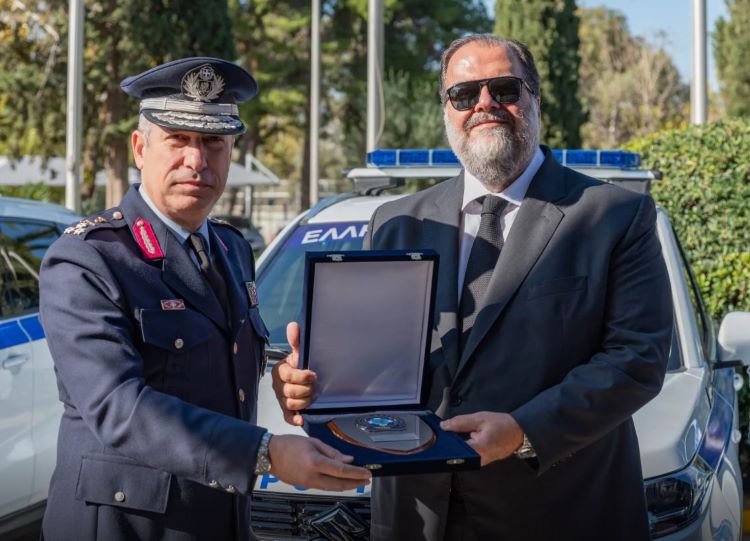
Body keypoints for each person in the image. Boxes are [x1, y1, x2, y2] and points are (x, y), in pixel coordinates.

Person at [274, 35, 673, 541]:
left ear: (535, 99)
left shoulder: (613, 215)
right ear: (447, 109)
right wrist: (311, 382)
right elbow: (373, 362)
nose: (484, 104)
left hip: (558, 512)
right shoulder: (396, 222)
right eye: (463, 94)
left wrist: (524, 431)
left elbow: (636, 359)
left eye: (504, 88)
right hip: (417, 515)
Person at [39, 57, 370, 541]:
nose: (196, 161)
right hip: (129, 526)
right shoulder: (89, 257)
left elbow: (222, 368)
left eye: (213, 142)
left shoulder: (232, 249)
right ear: (140, 149)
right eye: (178, 139)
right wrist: (263, 452)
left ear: (231, 151)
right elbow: (117, 405)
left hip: (222, 518)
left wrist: (283, 381)